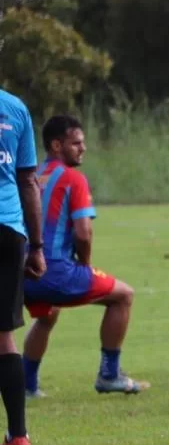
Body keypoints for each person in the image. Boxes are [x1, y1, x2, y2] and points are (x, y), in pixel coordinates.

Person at [22, 116, 142, 395]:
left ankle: (27, 385)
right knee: (124, 296)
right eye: (76, 143)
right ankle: (109, 376)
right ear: (56, 145)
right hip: (54, 271)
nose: (83, 148)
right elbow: (83, 233)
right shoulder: (74, 178)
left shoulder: (32, 177)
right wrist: (85, 266)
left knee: (47, 315)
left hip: (23, 271)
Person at [0, 88, 44, 445]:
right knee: (3, 337)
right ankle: (18, 437)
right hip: (9, 231)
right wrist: (38, 247)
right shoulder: (15, 108)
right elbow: (28, 181)